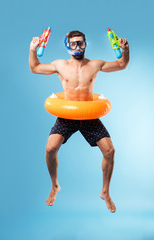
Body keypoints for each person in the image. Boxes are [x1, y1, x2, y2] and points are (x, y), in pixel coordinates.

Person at [29, 30, 129, 213]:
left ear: (85, 44)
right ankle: (55, 186)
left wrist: (125, 50)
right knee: (50, 148)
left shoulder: (95, 64)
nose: (78, 47)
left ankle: (105, 192)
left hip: (89, 115)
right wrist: (33, 49)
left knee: (110, 151)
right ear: (67, 46)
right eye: (74, 44)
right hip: (67, 115)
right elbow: (34, 68)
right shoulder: (60, 65)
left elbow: (122, 64)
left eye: (81, 43)